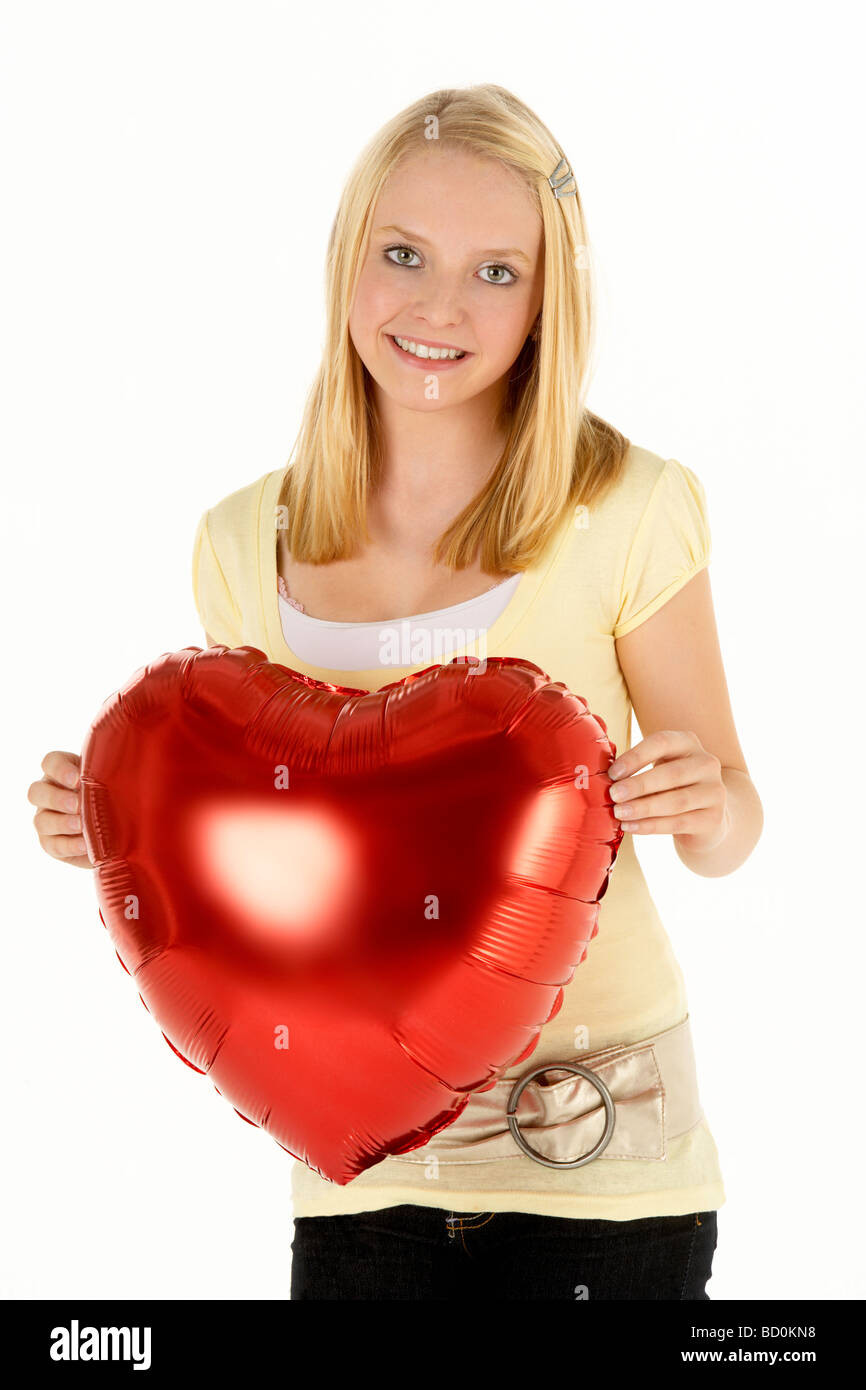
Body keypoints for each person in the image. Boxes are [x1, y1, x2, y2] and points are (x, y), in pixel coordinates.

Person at [29, 83, 763, 1301]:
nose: (436, 308)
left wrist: (704, 800)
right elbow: (255, 850)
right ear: (346, 260)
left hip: (602, 1169)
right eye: (404, 255)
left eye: (494, 273)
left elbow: (731, 825)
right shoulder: (238, 541)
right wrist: (108, 821)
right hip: (358, 1184)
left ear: (547, 299)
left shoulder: (628, 507)